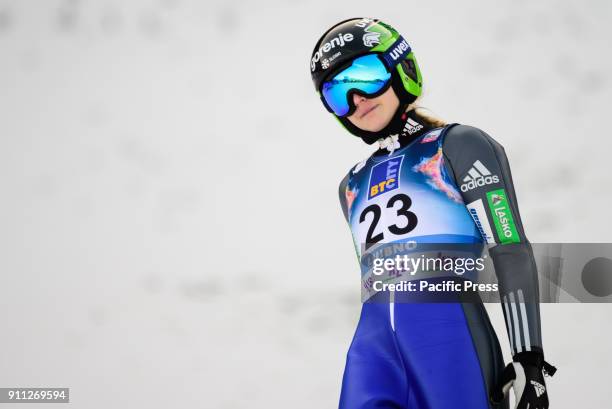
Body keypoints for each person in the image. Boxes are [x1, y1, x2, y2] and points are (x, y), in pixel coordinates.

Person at [309, 18, 556, 409]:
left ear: (399, 68)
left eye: (365, 75)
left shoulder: (458, 145)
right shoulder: (351, 186)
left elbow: (510, 251)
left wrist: (529, 359)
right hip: (371, 352)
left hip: (449, 341)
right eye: (337, 92)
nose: (356, 98)